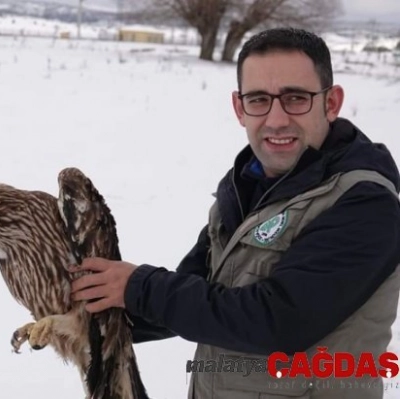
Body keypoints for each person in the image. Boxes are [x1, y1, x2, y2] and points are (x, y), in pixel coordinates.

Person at [69, 27, 400, 399]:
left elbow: (280, 321)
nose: (276, 119)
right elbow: (200, 294)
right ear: (239, 107)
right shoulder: (245, 188)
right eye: (259, 99)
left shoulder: (365, 203)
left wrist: (138, 287)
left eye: (296, 98)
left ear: (332, 103)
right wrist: (87, 313)